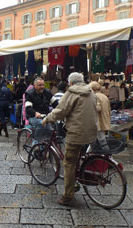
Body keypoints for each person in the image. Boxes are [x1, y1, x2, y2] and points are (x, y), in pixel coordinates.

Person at [42, 72, 97, 206]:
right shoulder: (91, 92)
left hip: (76, 132)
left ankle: (68, 196)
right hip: (90, 132)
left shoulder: (72, 93)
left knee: (69, 163)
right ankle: (75, 181)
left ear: (70, 83)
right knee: (76, 158)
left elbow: (60, 111)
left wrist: (47, 119)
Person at [25, 77, 53, 142]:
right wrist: (35, 113)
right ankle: (35, 143)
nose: (42, 87)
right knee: (42, 124)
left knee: (52, 128)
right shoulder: (30, 94)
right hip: (33, 116)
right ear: (34, 85)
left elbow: (55, 103)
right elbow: (28, 108)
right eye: (39, 85)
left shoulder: (47, 92)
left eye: (43, 85)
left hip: (45, 115)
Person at [89, 81, 110, 150]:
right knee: (99, 137)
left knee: (101, 139)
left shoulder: (95, 96)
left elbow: (98, 108)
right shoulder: (104, 96)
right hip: (104, 119)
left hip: (98, 120)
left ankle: (107, 153)